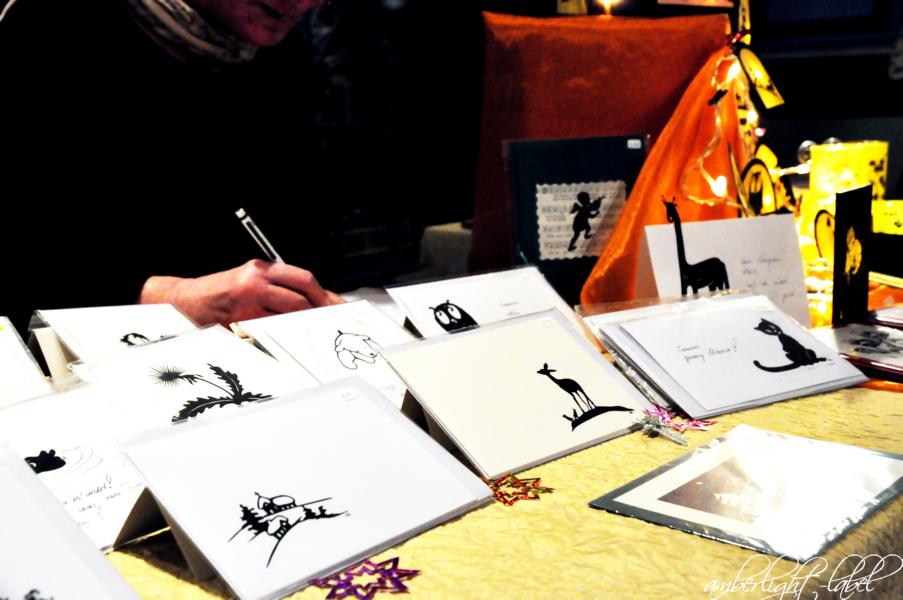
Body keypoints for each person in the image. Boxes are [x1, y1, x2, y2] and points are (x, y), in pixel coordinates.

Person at [0, 0, 344, 334]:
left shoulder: (280, 57)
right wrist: (171, 299)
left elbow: (296, 230)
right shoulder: (49, 29)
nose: (309, 3)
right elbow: (23, 262)